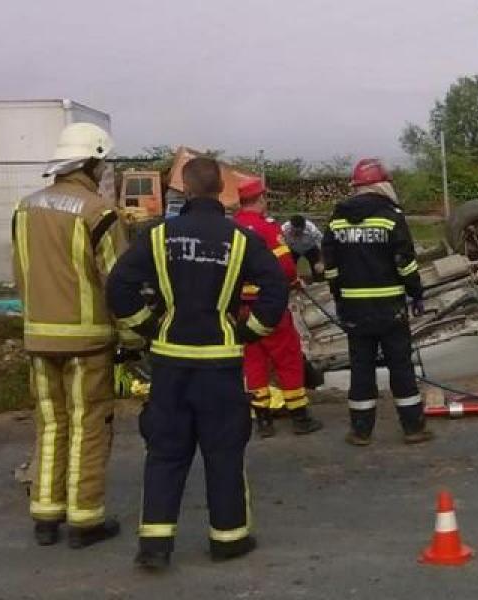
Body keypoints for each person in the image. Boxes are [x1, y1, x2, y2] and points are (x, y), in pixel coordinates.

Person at [106, 157, 290, 570]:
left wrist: (149, 326)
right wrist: (249, 331)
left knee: (165, 452)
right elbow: (276, 286)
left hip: (170, 362)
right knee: (224, 451)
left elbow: (118, 286)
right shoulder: (241, 238)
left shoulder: (157, 235)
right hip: (220, 365)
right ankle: (229, 539)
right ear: (222, 189)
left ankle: (155, 545)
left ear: (184, 189)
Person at [12, 123, 130, 549]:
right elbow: (119, 283)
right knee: (88, 426)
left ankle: (46, 514)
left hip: (37, 337)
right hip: (87, 342)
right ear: (92, 162)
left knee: (50, 425)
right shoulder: (99, 212)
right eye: (103, 163)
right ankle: (85, 519)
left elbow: (21, 273)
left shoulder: (25, 208)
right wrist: (133, 337)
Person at [322, 158, 432, 446]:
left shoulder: (337, 219)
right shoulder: (391, 216)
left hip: (354, 309)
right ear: (382, 184)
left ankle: (361, 431)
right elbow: (405, 263)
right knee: (400, 366)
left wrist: (339, 295)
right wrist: (416, 293)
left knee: (361, 368)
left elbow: (330, 265)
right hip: (389, 307)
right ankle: (413, 428)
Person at [233, 177, 323, 437]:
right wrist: (294, 282)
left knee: (254, 360)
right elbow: (285, 266)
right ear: (260, 199)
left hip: (240, 308)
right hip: (269, 306)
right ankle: (299, 417)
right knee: (287, 357)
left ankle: (262, 419)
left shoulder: (231, 228)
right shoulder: (267, 228)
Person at [283, 214, 325, 281]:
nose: (296, 235)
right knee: (287, 270)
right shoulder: (283, 229)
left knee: (319, 272)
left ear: (303, 228)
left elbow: (323, 245)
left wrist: (321, 262)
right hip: (292, 249)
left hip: (310, 248)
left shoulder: (312, 229)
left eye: (298, 232)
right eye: (294, 232)